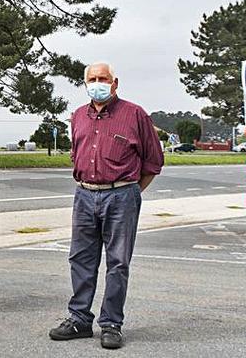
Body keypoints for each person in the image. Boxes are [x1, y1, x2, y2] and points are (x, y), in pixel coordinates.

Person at [48, 62, 164, 349]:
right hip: (85, 195)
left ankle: (111, 323)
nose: (97, 83)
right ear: (85, 83)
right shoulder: (77, 116)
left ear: (115, 83)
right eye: (92, 79)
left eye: (103, 78)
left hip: (121, 195)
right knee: (80, 259)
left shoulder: (135, 114)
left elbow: (153, 162)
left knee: (117, 262)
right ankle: (79, 319)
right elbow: (77, 154)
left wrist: (131, 192)